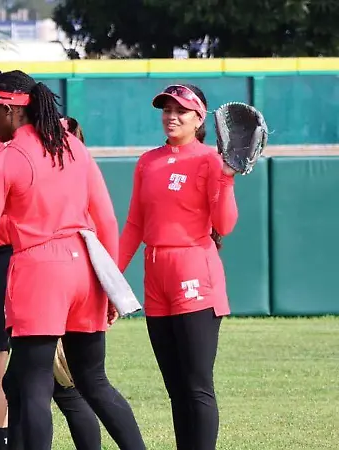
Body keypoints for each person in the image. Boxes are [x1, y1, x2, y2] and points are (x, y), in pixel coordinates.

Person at [0, 70, 146, 450]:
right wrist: (110, 283)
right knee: (85, 381)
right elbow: (107, 219)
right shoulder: (72, 146)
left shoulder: (8, 160)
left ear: (10, 110)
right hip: (85, 267)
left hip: (41, 272)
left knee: (34, 386)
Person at [117, 84, 237, 450]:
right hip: (156, 276)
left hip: (194, 271)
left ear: (200, 117)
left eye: (181, 110)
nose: (172, 116)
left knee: (197, 384)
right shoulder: (148, 161)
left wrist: (227, 177)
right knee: (175, 388)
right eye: (167, 109)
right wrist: (111, 279)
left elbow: (225, 224)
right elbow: (135, 225)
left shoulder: (210, 160)